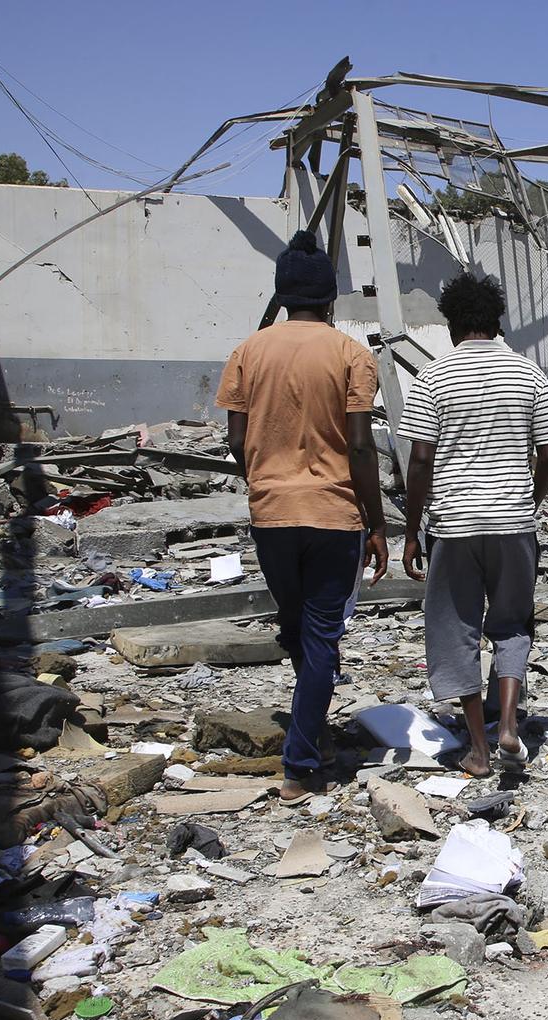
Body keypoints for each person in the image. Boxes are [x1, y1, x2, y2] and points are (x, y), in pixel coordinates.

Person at [216, 230, 389, 803]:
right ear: (330, 298)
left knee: (296, 628)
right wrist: (378, 520)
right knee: (318, 635)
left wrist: (263, 482)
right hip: (333, 515)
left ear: (282, 294)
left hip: (272, 514)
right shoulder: (350, 354)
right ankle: (300, 761)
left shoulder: (249, 350)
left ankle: (310, 730)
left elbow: (237, 437)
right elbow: (361, 445)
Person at [399, 273, 548, 778]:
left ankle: (479, 749)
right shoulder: (529, 374)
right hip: (514, 522)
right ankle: (509, 724)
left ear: (451, 323)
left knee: (456, 630)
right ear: (497, 321)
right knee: (513, 623)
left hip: (454, 524)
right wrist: (529, 498)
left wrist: (411, 527)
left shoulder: (432, 377)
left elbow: (420, 458)